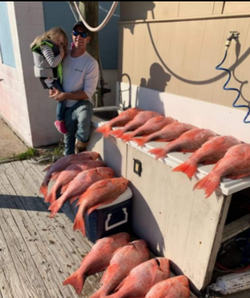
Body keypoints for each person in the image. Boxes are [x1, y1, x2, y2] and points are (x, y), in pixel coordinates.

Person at [49, 21, 99, 155]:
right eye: (76, 33)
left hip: (81, 103)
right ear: (72, 35)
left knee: (84, 116)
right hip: (65, 108)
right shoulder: (63, 56)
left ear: (88, 39)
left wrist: (64, 95)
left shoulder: (91, 63)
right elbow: (53, 76)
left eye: (83, 34)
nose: (79, 37)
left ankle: (81, 145)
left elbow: (88, 93)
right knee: (68, 148)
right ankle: (67, 170)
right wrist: (52, 89)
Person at [30, 27, 69, 134]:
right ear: (51, 36)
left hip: (48, 77)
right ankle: (59, 120)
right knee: (62, 97)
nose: (59, 44)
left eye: (61, 43)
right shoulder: (45, 46)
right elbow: (52, 63)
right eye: (58, 41)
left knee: (61, 96)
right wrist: (61, 53)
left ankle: (61, 118)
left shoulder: (48, 45)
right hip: (47, 77)